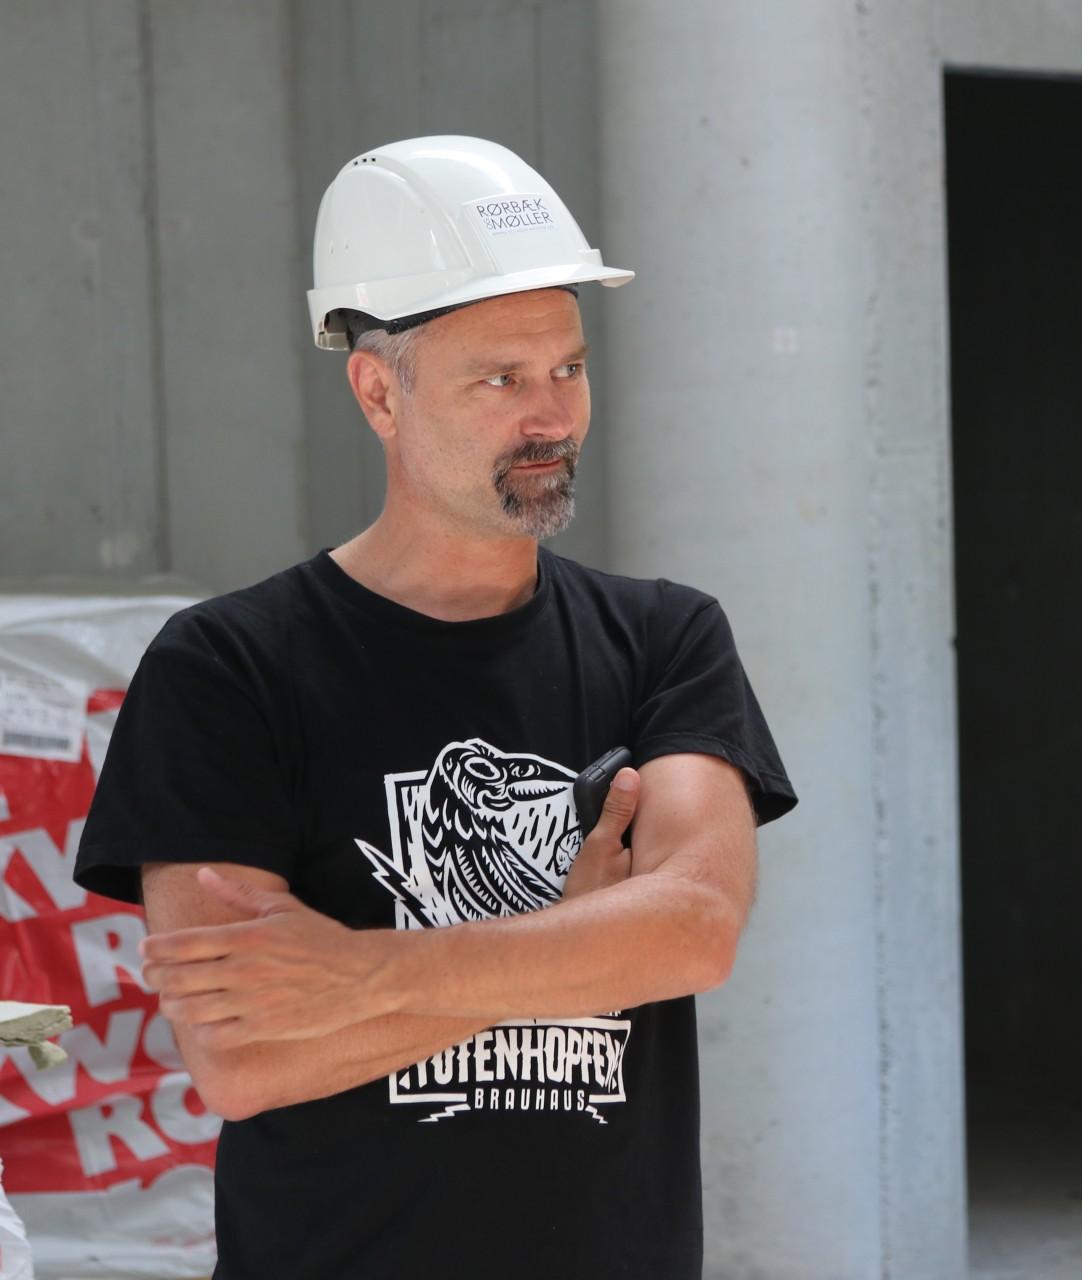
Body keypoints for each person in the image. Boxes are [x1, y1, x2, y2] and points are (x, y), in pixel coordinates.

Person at [73, 135, 797, 1280]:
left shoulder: (666, 637)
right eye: (499, 379)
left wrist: (362, 975)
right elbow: (241, 1062)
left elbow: (695, 929)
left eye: (567, 366)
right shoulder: (227, 668)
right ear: (378, 390)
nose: (551, 413)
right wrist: (579, 947)